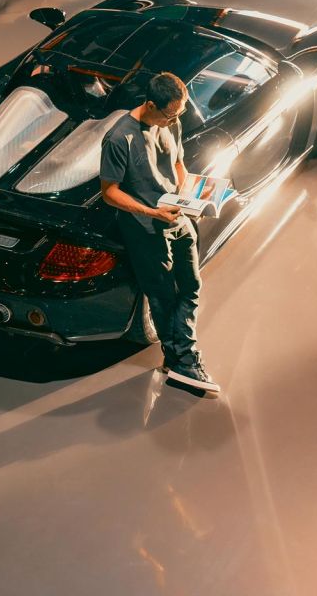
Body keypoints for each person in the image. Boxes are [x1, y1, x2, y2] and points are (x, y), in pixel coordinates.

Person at [99, 72, 219, 395]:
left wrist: (188, 191)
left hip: (177, 217)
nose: (175, 120)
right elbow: (109, 192)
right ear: (151, 104)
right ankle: (183, 359)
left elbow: (178, 163)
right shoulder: (118, 139)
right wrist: (152, 211)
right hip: (146, 229)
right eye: (170, 114)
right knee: (163, 297)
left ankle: (179, 357)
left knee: (192, 284)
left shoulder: (172, 123)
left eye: (179, 113)